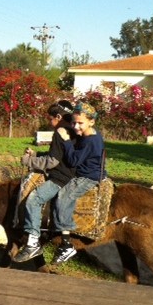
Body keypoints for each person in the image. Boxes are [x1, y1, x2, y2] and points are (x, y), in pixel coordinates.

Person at [13, 100, 76, 263]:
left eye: (50, 119)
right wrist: (37, 155)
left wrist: (29, 161)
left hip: (61, 178)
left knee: (33, 200)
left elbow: (52, 162)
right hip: (71, 173)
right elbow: (57, 155)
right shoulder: (73, 129)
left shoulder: (59, 132)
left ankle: (33, 243)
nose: (49, 122)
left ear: (58, 116)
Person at [51, 101, 107, 265]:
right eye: (74, 122)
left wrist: (66, 141)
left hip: (88, 176)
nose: (76, 126)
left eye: (80, 123)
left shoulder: (90, 141)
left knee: (63, 196)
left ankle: (66, 242)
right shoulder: (90, 135)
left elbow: (74, 160)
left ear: (92, 121)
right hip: (91, 172)